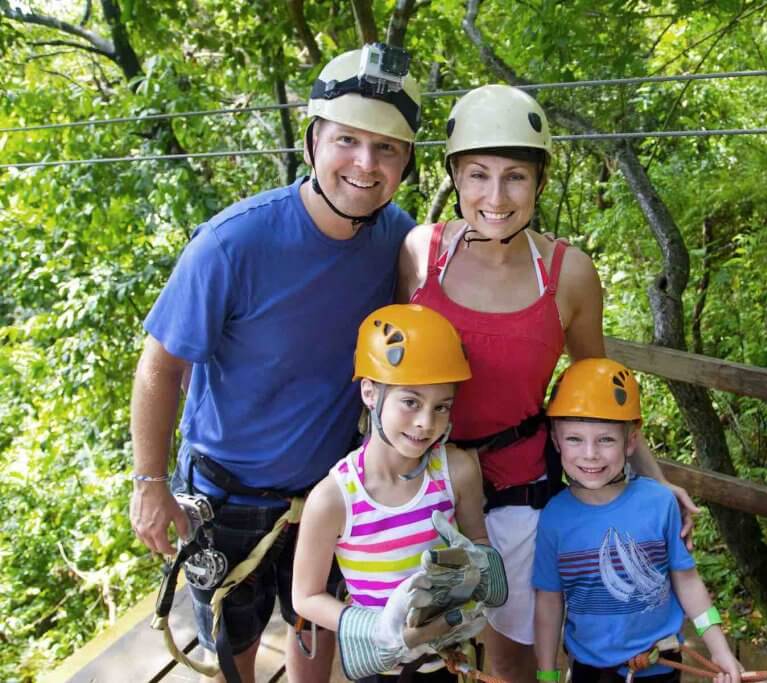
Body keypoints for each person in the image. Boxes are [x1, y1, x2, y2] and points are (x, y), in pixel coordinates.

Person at [129, 44, 422, 683]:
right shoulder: (234, 244)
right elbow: (160, 366)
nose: (366, 165)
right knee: (233, 647)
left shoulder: (395, 237)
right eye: (348, 140)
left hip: (328, 491)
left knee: (313, 629)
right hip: (226, 494)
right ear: (315, 140)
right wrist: (149, 485)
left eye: (388, 149)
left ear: (405, 163)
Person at [397, 84, 699, 683]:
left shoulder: (568, 275)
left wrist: (657, 484)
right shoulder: (418, 254)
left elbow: (599, 393)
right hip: (425, 491)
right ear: (455, 176)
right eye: (478, 175)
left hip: (517, 493)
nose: (495, 196)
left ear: (539, 182)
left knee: (514, 657)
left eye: (515, 177)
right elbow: (386, 380)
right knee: (428, 654)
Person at [292, 304, 508, 682]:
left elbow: (477, 538)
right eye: (411, 402)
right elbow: (305, 597)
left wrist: (481, 572)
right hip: (380, 667)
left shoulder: (455, 471)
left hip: (447, 661)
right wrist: (382, 629)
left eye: (442, 407)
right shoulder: (333, 499)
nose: (427, 423)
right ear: (370, 393)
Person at [533, 359, 742, 683]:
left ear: (631, 441)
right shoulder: (554, 518)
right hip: (592, 671)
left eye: (606, 440)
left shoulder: (659, 504)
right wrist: (547, 673)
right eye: (575, 439)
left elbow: (687, 581)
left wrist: (720, 649)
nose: (590, 454)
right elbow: (549, 601)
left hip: (661, 666)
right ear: (556, 440)